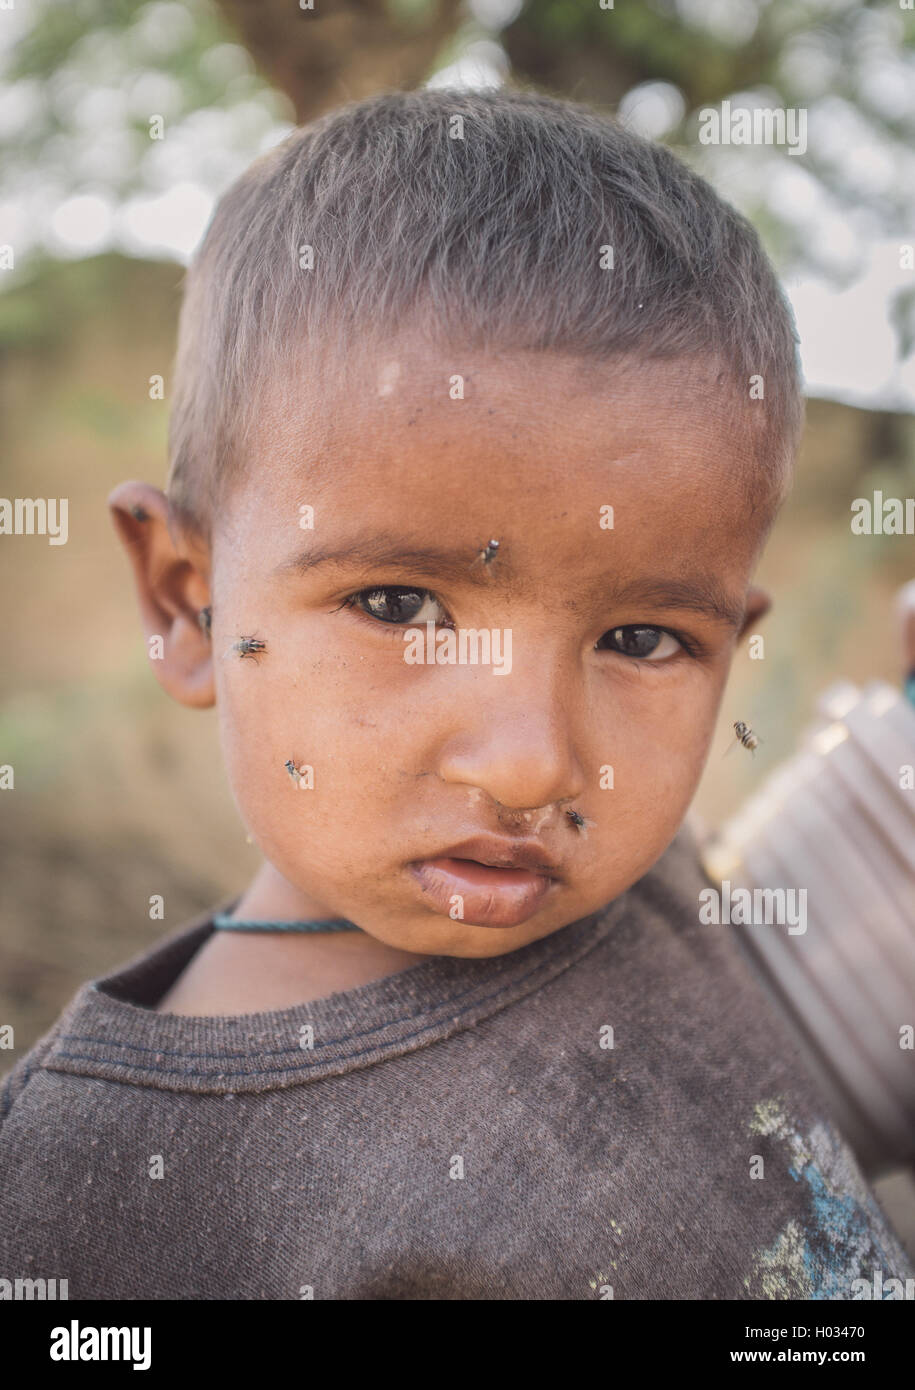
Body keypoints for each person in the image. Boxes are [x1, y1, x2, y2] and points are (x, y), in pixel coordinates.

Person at [1, 87, 911, 1300]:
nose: (534, 764)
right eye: (396, 605)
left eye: (641, 637)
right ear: (187, 602)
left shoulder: (653, 900)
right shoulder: (91, 1204)